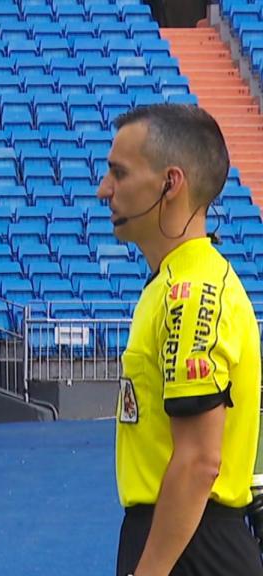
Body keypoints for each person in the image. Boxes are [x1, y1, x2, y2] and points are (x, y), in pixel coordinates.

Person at [97, 103, 263, 576]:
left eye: (118, 174)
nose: (103, 190)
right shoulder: (173, 283)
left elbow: (197, 461)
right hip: (183, 534)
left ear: (171, 183)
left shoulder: (191, 294)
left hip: (190, 545)